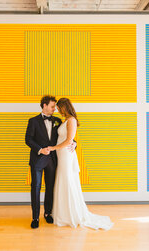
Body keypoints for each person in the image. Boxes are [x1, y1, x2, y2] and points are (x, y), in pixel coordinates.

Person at [48, 98, 114, 230]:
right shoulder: (65, 120)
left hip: (66, 154)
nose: (58, 110)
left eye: (59, 107)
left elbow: (69, 140)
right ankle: (63, 213)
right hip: (61, 155)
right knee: (62, 181)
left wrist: (52, 148)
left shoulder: (71, 120)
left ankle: (71, 214)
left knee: (67, 181)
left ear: (64, 107)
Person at [25, 95, 75, 229]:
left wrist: (73, 144)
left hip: (52, 160)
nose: (55, 109)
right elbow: (28, 140)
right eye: (53, 106)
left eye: (55, 107)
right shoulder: (33, 121)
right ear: (44, 106)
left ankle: (48, 213)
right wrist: (40, 150)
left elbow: (66, 136)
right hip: (37, 159)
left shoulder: (58, 121)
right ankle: (35, 217)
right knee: (35, 188)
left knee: (50, 187)